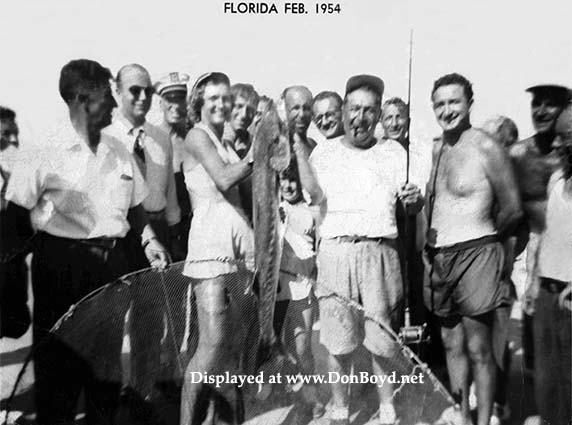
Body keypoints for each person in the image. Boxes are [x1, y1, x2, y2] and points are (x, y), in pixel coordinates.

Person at [4, 59, 169, 425]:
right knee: (58, 378)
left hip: (113, 270)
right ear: (80, 98)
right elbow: (14, 223)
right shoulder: (42, 150)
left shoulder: (118, 149)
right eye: (105, 95)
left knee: (105, 373)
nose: (113, 103)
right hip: (62, 268)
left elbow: (136, 209)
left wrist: (149, 239)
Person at [308, 75, 423, 425]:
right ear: (344, 110)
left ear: (378, 115)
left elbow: (410, 207)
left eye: (369, 110)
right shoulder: (323, 153)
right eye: (355, 108)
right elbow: (307, 206)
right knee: (337, 341)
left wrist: (414, 201)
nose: (361, 117)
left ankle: (387, 407)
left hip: (380, 254)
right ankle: (340, 408)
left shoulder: (393, 152)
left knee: (381, 339)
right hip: (335, 252)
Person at [423, 73, 522, 425]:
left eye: (454, 102)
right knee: (451, 345)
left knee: (480, 349)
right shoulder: (437, 148)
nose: (447, 110)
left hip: (477, 253)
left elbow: (512, 208)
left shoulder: (486, 146)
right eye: (439, 103)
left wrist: (486, 245)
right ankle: (462, 415)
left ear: (469, 103)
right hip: (439, 260)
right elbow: (437, 202)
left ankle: (483, 420)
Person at [180, 72, 257, 425]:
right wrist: (260, 149)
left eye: (226, 98)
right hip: (211, 256)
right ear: (198, 101)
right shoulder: (197, 136)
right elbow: (225, 178)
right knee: (209, 350)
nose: (222, 104)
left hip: (236, 259)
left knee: (228, 352)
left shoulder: (223, 141)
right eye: (213, 98)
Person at [104, 63, 181, 402]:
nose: (142, 97)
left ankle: (142, 393)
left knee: (150, 322)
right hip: (121, 236)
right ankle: (108, 396)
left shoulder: (161, 137)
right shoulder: (105, 135)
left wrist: (173, 234)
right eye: (134, 90)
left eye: (147, 90)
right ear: (116, 91)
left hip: (159, 232)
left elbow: (170, 197)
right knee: (111, 321)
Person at [508, 84, 571, 374]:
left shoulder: (566, 153)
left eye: (550, 104)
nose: (541, 111)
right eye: (536, 104)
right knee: (537, 347)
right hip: (531, 254)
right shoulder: (518, 154)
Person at [528, 104, 572, 425]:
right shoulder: (556, 179)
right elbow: (544, 235)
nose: (555, 145)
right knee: (547, 381)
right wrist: (532, 280)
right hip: (547, 291)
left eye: (564, 137)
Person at [273, 163, 324, 419]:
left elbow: (316, 249)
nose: (288, 185)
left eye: (293, 180)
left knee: (302, 348)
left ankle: (312, 396)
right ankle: (288, 393)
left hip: (302, 286)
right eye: (283, 180)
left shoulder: (311, 211)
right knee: (278, 346)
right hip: (276, 287)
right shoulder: (274, 209)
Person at [0, 106, 31, 339]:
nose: (13, 140)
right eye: (6, 134)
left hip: (11, 277)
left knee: (15, 326)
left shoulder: (21, 175)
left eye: (16, 133)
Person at [155, 71, 192, 260]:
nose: (175, 105)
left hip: (196, 231)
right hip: (165, 235)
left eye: (180, 98)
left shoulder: (195, 139)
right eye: (169, 99)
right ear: (160, 103)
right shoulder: (151, 141)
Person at [223, 83, 259, 159]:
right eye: (239, 107)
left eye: (250, 110)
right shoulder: (212, 138)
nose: (244, 115)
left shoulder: (255, 144)